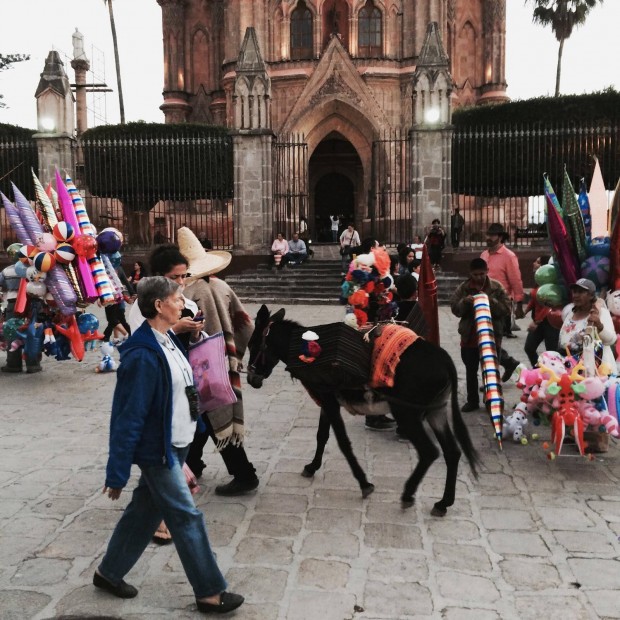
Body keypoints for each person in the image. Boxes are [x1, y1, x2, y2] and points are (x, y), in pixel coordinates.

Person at [94, 276, 244, 614]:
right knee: (186, 516)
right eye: (177, 298)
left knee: (142, 514)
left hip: (176, 443)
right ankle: (210, 591)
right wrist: (116, 473)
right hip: (158, 451)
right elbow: (127, 416)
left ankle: (109, 572)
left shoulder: (167, 339)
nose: (183, 302)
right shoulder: (142, 356)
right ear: (159, 306)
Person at [180, 227, 259, 496]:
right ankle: (192, 463)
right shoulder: (222, 286)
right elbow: (246, 325)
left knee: (212, 416)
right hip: (224, 360)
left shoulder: (191, 293)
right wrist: (234, 352)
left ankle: (244, 474)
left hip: (202, 366)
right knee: (204, 416)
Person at [451, 258, 512, 412]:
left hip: (491, 337)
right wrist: (464, 302)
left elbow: (506, 310)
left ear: (487, 272)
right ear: (470, 273)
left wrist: (490, 301)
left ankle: (491, 400)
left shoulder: (496, 287)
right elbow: (455, 309)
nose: (479, 277)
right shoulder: (463, 288)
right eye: (475, 274)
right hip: (469, 337)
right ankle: (472, 401)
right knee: (470, 371)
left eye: (482, 274)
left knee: (491, 371)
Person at [481, 222, 524, 379]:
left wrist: (519, 304)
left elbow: (516, 280)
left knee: (492, 342)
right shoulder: (484, 255)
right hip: (483, 304)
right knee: (486, 341)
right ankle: (508, 362)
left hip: (500, 305)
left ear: (500, 237)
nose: (488, 238)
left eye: (492, 235)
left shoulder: (509, 256)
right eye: (488, 235)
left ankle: (492, 378)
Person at [559, 278, 617, 373]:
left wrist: (599, 326)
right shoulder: (570, 313)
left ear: (591, 295)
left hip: (598, 371)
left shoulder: (601, 313)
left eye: (581, 292)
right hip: (573, 369)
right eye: (574, 292)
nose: (576, 295)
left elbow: (612, 340)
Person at [523, 255, 560, 367]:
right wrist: (525, 311)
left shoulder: (551, 283)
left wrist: (536, 322)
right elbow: (535, 298)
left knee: (552, 352)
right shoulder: (539, 281)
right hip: (538, 320)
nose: (534, 263)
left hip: (549, 322)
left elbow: (548, 306)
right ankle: (540, 370)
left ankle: (555, 374)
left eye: (538, 262)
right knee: (529, 348)